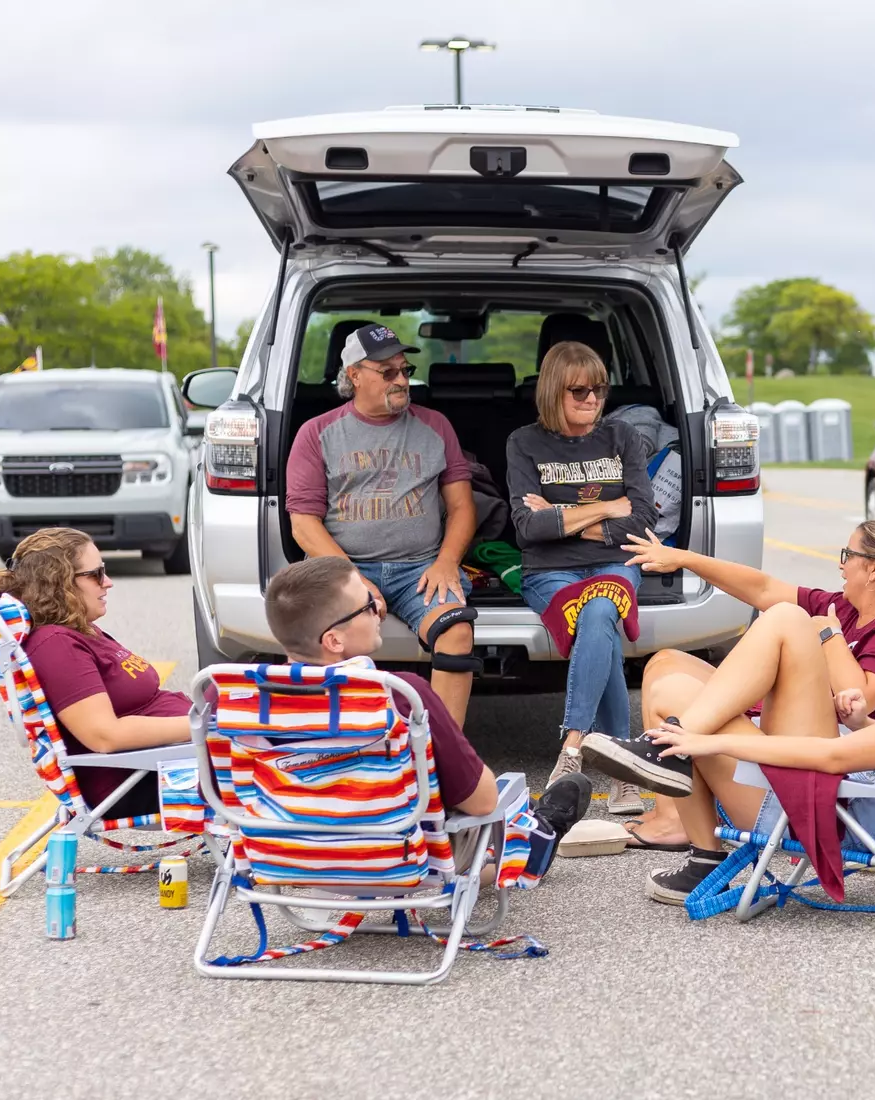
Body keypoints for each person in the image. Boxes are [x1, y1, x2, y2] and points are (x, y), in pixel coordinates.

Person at [582, 581, 875, 903]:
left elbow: (833, 756)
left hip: (813, 813)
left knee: (683, 688)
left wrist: (712, 743)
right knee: (682, 682)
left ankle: (697, 843)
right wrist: (863, 721)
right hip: (829, 800)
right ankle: (676, 779)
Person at [607, 519, 875, 849]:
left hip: (815, 768)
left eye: (848, 554)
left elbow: (861, 701)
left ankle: (669, 742)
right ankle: (673, 818)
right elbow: (762, 589)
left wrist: (828, 634)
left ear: (874, 569)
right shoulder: (842, 607)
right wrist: (684, 558)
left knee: (783, 618)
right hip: (777, 735)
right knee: (664, 662)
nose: (841, 563)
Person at [262, 555, 591, 860]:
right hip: (399, 859)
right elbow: (482, 801)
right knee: (503, 792)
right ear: (334, 641)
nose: (378, 606)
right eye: (365, 605)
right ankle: (537, 837)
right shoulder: (401, 695)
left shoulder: (243, 704)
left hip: (291, 856)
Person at [286, 323, 479, 727]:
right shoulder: (316, 434)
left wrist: (446, 562)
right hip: (341, 568)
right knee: (327, 638)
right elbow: (304, 525)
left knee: (457, 630)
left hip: (420, 569)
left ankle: (443, 754)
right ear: (354, 375)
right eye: (388, 372)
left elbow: (462, 507)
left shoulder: (435, 426)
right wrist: (352, 577)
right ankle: (326, 746)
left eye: (405, 370)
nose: (402, 381)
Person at [507, 341, 658, 792]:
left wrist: (562, 519)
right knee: (601, 625)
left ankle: (572, 746)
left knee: (598, 611)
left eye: (599, 389)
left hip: (613, 562)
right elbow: (527, 529)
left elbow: (643, 518)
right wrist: (610, 506)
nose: (591, 399)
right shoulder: (524, 443)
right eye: (578, 391)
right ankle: (622, 768)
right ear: (554, 391)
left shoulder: (621, 437)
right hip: (547, 570)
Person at [0, 528, 191, 816]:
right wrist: (209, 725)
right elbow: (104, 736)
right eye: (96, 574)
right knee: (273, 756)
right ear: (59, 583)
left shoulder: (78, 630)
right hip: (141, 778)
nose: (108, 583)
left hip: (171, 756)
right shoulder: (56, 646)